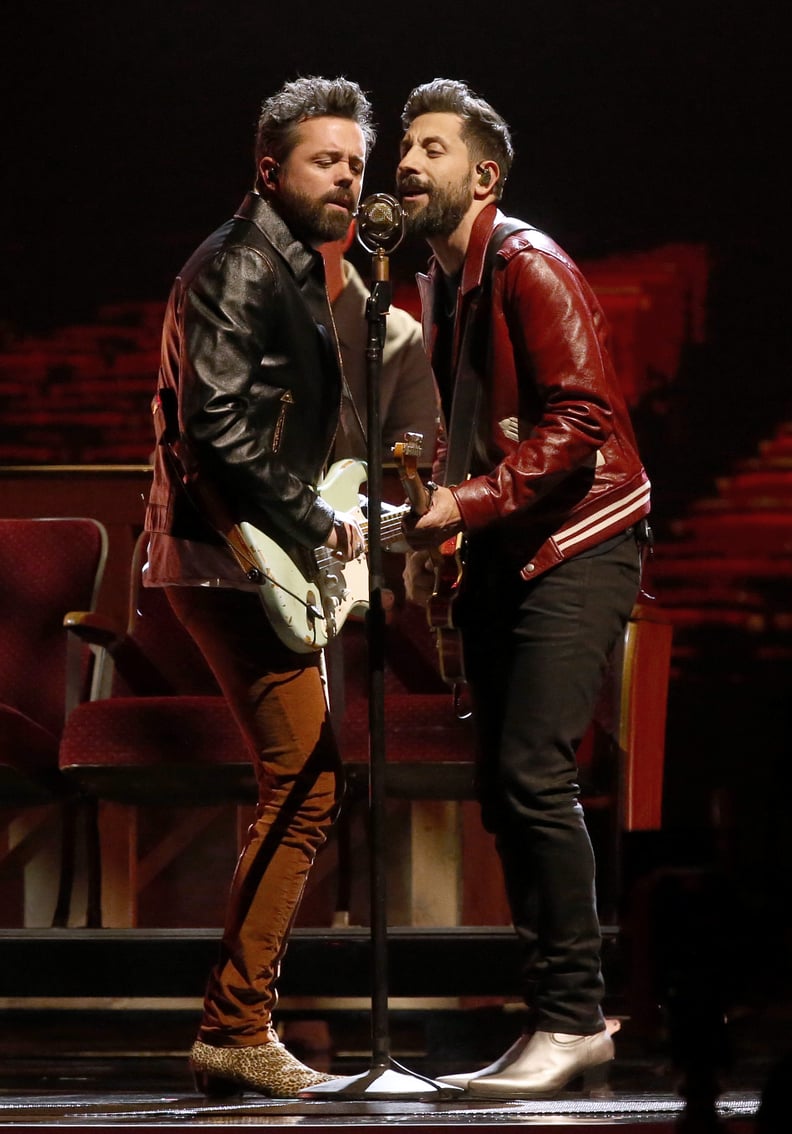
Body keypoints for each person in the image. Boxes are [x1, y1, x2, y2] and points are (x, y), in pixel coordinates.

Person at [395, 78, 652, 1098]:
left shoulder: (529, 264)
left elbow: (582, 419)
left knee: (534, 774)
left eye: (429, 147)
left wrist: (472, 502)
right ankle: (555, 1013)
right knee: (505, 791)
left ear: (484, 173)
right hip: (514, 549)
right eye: (401, 146)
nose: (405, 163)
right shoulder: (439, 285)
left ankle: (574, 1018)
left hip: (581, 541)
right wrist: (449, 526)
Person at [143, 75, 376, 1098]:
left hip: (245, 556)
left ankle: (239, 1021)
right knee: (306, 782)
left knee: (302, 782)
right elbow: (220, 431)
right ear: (269, 169)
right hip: (232, 562)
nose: (349, 180)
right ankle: (236, 1026)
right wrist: (315, 518)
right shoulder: (242, 263)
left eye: (357, 165)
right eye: (328, 162)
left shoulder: (281, 260)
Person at [321, 226, 440, 464]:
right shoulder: (252, 325)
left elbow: (405, 476)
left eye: (311, 229)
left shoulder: (405, 342)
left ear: (346, 232)